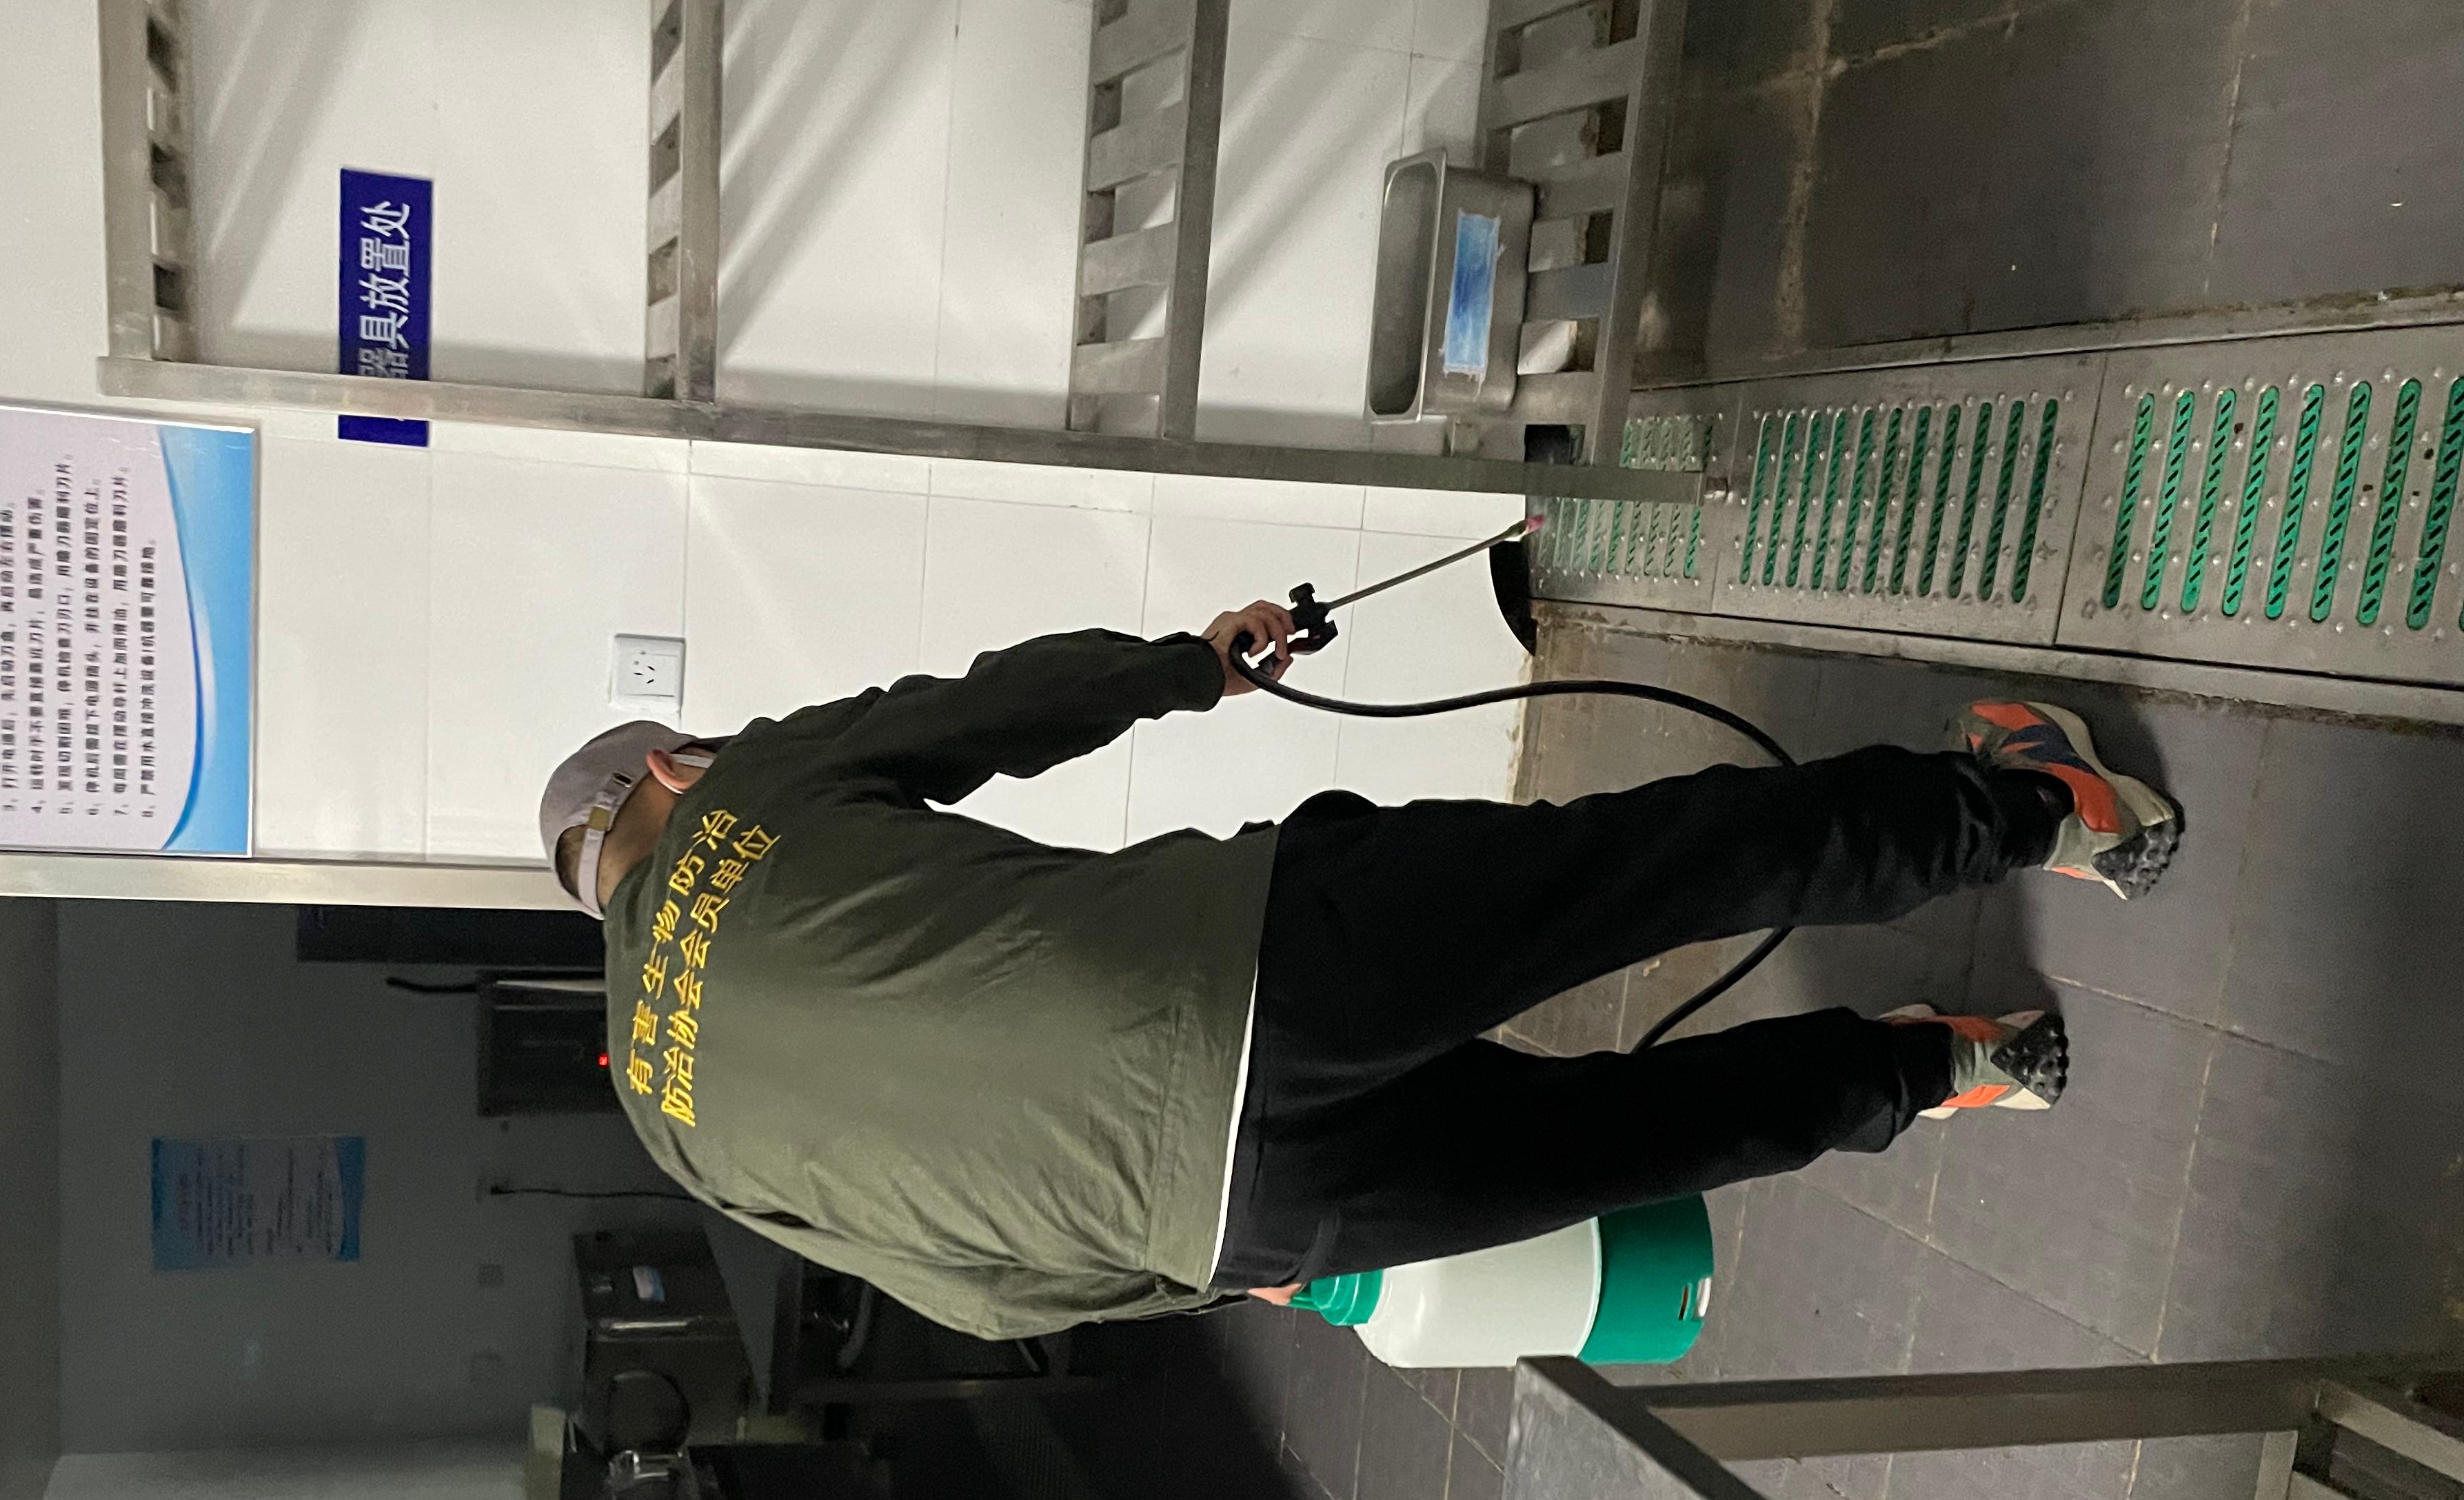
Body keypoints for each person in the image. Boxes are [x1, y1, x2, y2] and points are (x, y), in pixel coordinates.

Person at [536, 604, 2178, 1340]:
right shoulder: (741, 795)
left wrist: (1198, 1279)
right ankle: (2052, 810)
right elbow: (980, 714)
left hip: (1238, 1215)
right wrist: (1191, 668)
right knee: (1659, 869)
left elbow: (967, 1295)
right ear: (668, 768)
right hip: (1260, 965)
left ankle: (1946, 1066)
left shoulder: (670, 1125)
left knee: (1630, 1142)